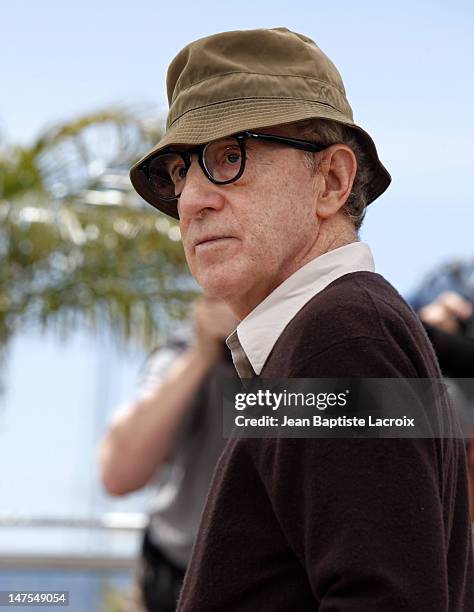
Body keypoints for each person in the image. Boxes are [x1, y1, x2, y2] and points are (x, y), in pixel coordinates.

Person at [129, 28, 474, 610]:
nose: (190, 199)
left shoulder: (343, 335)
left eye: (230, 156)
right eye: (181, 170)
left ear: (333, 180)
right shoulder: (336, 329)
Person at [99, 296, 238, 612]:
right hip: (174, 573)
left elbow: (362, 419)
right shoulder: (184, 349)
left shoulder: (324, 339)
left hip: (279, 578)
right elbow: (118, 473)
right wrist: (203, 355)